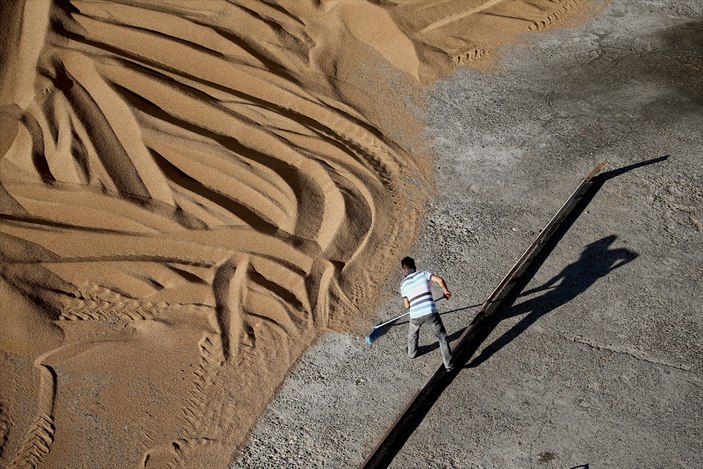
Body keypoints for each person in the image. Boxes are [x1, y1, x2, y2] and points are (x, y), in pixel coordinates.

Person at [400, 256, 454, 372]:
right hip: (430, 311)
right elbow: (439, 280)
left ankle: (412, 353)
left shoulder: (403, 284)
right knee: (442, 337)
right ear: (415, 266)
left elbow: (407, 306)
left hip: (415, 315)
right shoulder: (423, 274)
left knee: (412, 334)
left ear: (404, 270)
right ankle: (448, 366)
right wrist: (446, 291)